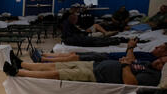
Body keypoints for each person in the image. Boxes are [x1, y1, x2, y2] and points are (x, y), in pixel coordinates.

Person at [4, 45, 166, 86]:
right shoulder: (147, 62)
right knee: (55, 67)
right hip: (95, 65)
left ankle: (18, 73)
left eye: (162, 64)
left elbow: (131, 84)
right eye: (161, 59)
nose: (158, 61)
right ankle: (22, 63)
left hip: (97, 76)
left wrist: (124, 65)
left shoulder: (153, 76)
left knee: (56, 74)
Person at [32, 40, 167, 64]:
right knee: (73, 54)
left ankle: (44, 60)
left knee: (75, 58)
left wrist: (130, 47)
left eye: (159, 48)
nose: (155, 48)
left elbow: (130, 60)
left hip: (108, 59)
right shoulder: (150, 54)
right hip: (107, 56)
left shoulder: (151, 60)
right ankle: (44, 55)